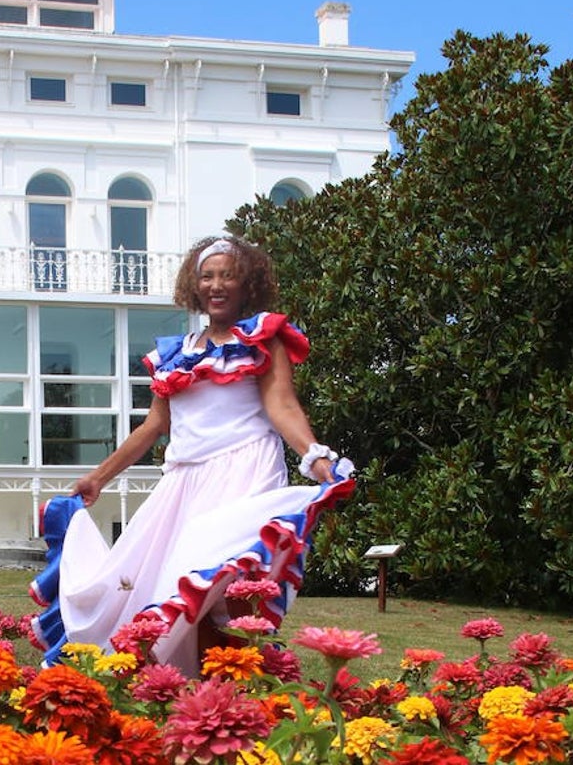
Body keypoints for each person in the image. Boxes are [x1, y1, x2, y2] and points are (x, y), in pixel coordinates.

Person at [29, 235, 355, 674]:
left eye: (228, 276)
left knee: (218, 584)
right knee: (165, 587)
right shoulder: (176, 355)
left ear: (247, 285)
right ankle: (194, 688)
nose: (216, 285)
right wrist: (99, 478)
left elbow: (283, 406)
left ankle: (231, 689)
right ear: (194, 285)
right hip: (183, 482)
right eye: (207, 276)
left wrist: (316, 458)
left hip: (246, 469)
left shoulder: (261, 339)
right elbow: (153, 427)